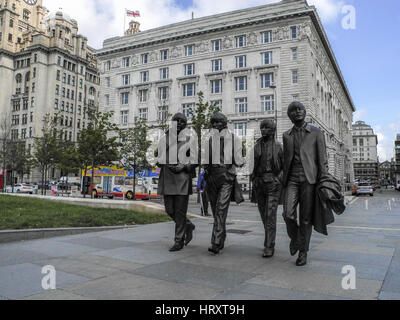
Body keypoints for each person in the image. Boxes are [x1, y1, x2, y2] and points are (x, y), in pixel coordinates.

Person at [282, 101, 329, 266]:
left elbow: (322, 160)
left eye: (299, 109)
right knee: (288, 214)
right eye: (293, 110)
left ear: (304, 111)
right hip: (292, 179)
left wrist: (323, 181)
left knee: (306, 219)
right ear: (289, 115)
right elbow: (285, 160)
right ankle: (296, 239)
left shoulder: (316, 133)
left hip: (310, 179)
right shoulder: (286, 135)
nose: (297, 112)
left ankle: (303, 252)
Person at [156, 113, 197, 252]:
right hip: (167, 177)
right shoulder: (164, 138)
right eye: (176, 121)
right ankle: (188, 225)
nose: (179, 123)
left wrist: (184, 166)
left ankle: (178, 240)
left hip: (182, 179)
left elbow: (195, 160)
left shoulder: (189, 140)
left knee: (179, 211)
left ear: (185, 125)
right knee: (169, 210)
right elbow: (157, 155)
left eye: (182, 121)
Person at [204, 112, 244, 254]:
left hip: (226, 178)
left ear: (224, 123)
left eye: (218, 122)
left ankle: (215, 241)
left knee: (221, 209)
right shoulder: (210, 140)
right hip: (212, 178)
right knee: (216, 211)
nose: (215, 125)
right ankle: (221, 237)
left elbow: (240, 160)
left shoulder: (234, 139)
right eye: (213, 123)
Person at [251, 120, 283, 258]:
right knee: (264, 215)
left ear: (273, 130)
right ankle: (269, 239)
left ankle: (269, 245)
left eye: (266, 127)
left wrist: (278, 179)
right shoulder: (256, 146)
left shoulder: (279, 146)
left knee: (270, 214)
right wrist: (254, 179)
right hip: (260, 183)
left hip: (273, 183)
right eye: (262, 127)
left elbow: (285, 166)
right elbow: (251, 165)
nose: (263, 130)